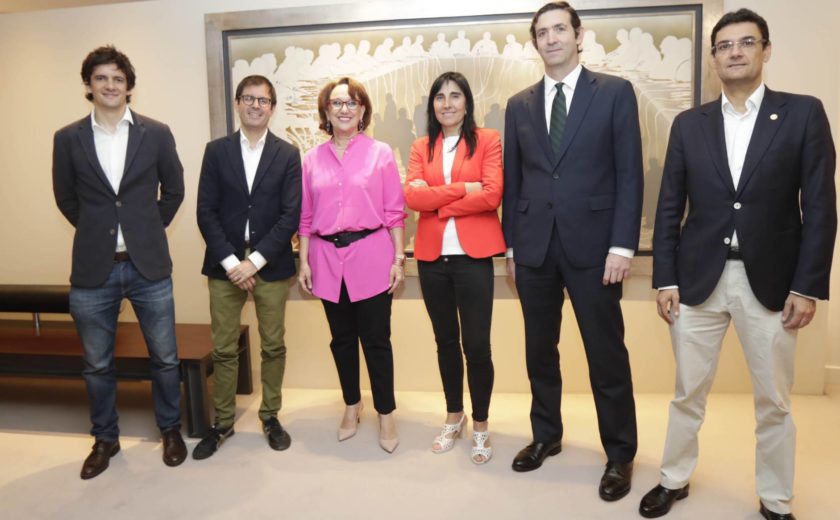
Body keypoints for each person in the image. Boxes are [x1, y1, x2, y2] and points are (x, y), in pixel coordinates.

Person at [642, 9, 837, 520]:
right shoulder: (689, 124)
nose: (735, 52)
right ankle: (673, 478)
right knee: (687, 392)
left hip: (771, 282)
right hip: (696, 280)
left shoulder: (803, 114)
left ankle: (775, 499)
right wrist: (665, 278)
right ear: (714, 58)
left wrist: (807, 286)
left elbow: (820, 208)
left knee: (774, 400)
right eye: (724, 45)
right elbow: (669, 206)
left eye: (746, 42)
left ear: (765, 50)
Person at [502, 1, 643, 500]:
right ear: (535, 43)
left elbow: (630, 174)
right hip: (534, 248)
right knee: (540, 351)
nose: (552, 38)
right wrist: (512, 246)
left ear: (579, 36)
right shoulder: (519, 104)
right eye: (542, 32)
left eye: (560, 29)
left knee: (606, 354)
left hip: (597, 249)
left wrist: (622, 245)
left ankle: (620, 453)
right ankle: (546, 434)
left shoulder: (614, 93)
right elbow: (514, 181)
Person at [52, 45, 186, 479]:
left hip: (149, 267)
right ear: (88, 85)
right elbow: (66, 198)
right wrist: (99, 230)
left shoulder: (157, 133)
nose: (110, 85)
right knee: (97, 364)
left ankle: (170, 430)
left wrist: (147, 229)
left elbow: (175, 191)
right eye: (101, 78)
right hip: (94, 268)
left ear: (129, 86)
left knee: (165, 358)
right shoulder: (67, 138)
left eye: (117, 78)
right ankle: (105, 439)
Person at [194, 75, 301, 459]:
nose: (256, 106)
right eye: (249, 99)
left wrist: (253, 262)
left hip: (269, 265)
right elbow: (205, 211)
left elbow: (290, 216)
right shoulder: (216, 151)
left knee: (273, 346)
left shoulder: (288, 154)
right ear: (238, 103)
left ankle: (270, 416)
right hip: (224, 266)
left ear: (272, 107)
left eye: (263, 100)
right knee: (224, 349)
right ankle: (223, 421)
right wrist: (232, 263)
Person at [297, 77, 406, 453]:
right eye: (337, 103)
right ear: (326, 111)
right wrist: (304, 261)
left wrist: (398, 259)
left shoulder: (380, 154)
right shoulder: (311, 159)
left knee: (376, 341)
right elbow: (305, 217)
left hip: (372, 257)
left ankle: (386, 413)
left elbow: (394, 212)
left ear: (362, 111)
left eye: (352, 103)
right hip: (326, 260)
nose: (344, 109)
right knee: (341, 340)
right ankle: (351, 404)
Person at [404, 72, 504, 464]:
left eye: (455, 96)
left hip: (473, 257)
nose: (447, 104)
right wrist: (465, 189)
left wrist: (439, 203)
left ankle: (480, 424)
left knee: (477, 345)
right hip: (432, 259)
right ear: (432, 105)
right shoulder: (420, 147)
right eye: (440, 97)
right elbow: (413, 198)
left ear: (467, 102)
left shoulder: (488, 140)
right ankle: (453, 415)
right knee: (445, 341)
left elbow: (492, 195)